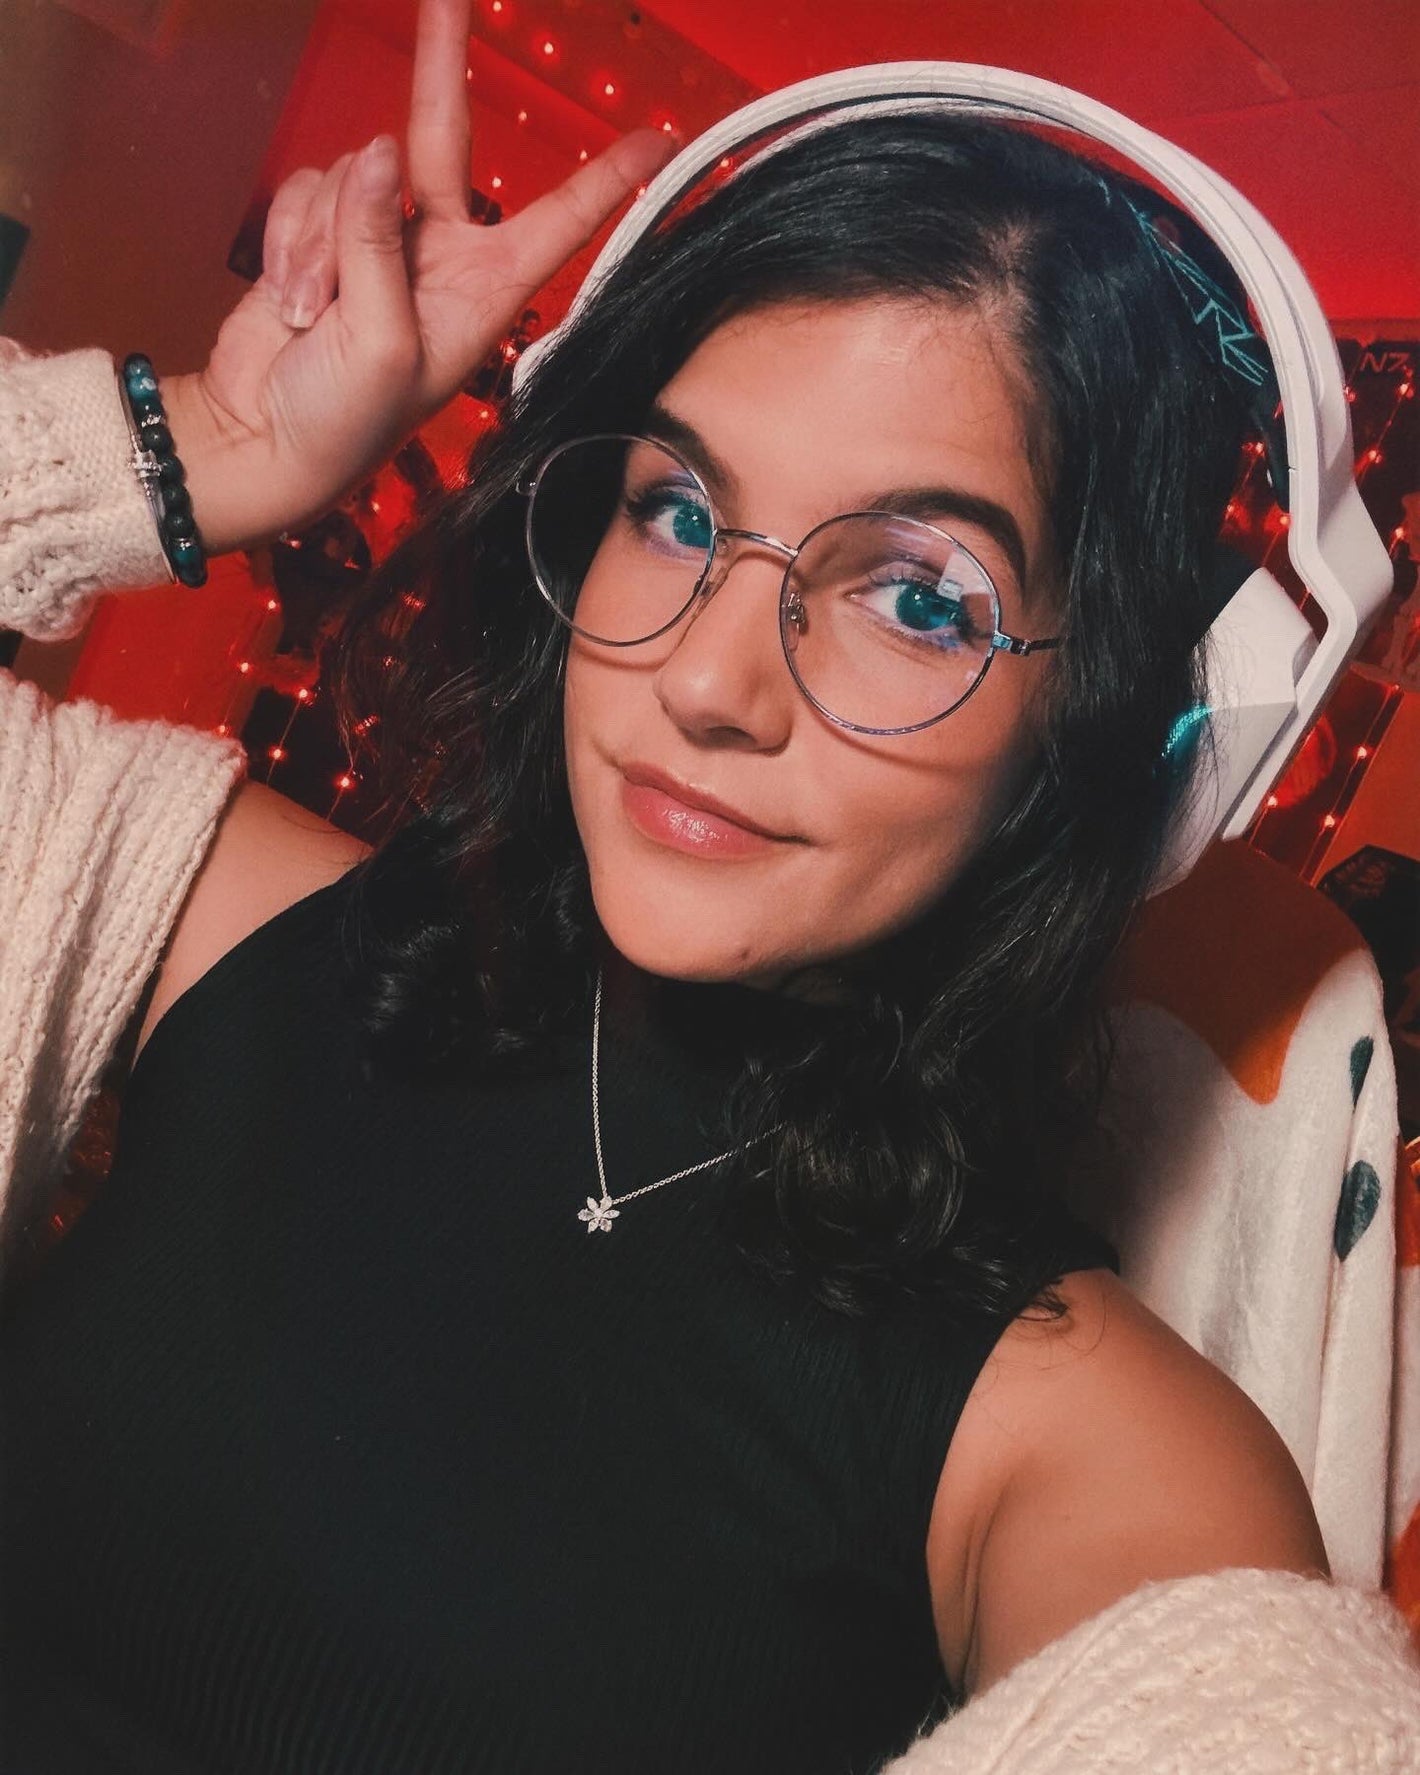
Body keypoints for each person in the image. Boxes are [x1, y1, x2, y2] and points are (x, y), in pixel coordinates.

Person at [2, 2, 1416, 1770]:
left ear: (1126, 737)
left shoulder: (1085, 1446)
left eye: (919, 597)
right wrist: (200, 444)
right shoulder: (223, 921)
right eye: (676, 507)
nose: (707, 681)